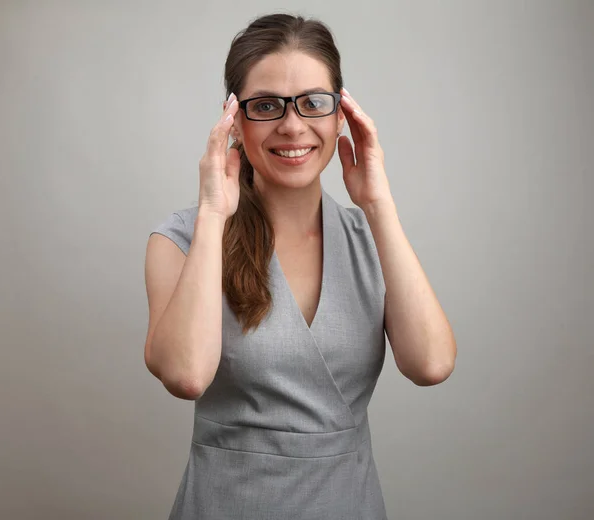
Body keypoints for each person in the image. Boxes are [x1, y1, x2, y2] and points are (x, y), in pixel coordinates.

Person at [144, 12, 456, 520]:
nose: (293, 125)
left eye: (313, 103)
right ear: (235, 124)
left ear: (341, 117)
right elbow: (185, 375)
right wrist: (211, 214)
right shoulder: (182, 238)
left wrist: (378, 206)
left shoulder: (370, 238)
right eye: (266, 106)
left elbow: (431, 365)